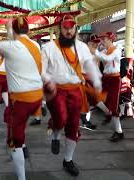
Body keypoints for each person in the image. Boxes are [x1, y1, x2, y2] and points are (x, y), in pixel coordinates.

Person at [0, 16, 55, 180]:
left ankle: (21, 173)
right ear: (29, 30)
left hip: (20, 101)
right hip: (36, 99)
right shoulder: (35, 46)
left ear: (13, 31)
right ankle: (23, 143)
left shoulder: (10, 46)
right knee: (19, 125)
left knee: (13, 141)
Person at [42, 15, 102, 176]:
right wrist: (48, 81)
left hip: (76, 90)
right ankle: (55, 134)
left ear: (75, 28)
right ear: (59, 29)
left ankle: (68, 160)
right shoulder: (48, 48)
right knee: (60, 119)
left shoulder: (82, 47)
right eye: (65, 27)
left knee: (73, 127)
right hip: (57, 91)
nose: (68, 31)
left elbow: (90, 66)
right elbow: (41, 70)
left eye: (71, 27)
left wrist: (97, 82)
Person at [95, 32, 124, 142]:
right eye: (102, 39)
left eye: (104, 39)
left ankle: (119, 132)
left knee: (113, 105)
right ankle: (109, 113)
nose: (102, 42)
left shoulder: (116, 50)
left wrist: (95, 51)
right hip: (106, 78)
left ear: (110, 40)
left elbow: (107, 58)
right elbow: (98, 58)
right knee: (97, 99)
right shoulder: (103, 51)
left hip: (114, 80)